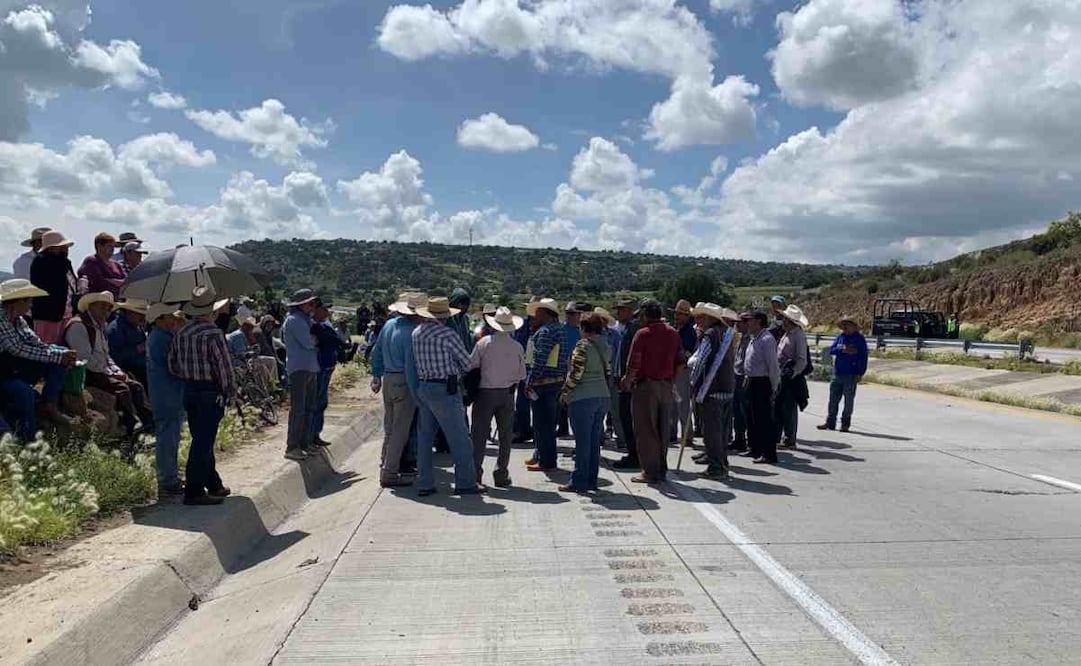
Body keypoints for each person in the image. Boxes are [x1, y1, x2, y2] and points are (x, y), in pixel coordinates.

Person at [168, 289, 235, 506]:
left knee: (201, 438)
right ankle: (195, 490)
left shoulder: (182, 332)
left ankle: (213, 483)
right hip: (209, 391)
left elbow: (173, 364)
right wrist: (229, 391)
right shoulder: (213, 333)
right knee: (203, 441)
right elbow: (223, 367)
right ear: (212, 311)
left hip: (190, 389)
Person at [411, 297, 481, 496]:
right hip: (445, 389)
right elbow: (467, 364)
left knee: (425, 438)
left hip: (424, 386)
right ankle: (466, 482)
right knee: (459, 439)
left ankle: (425, 483)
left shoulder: (416, 333)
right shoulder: (447, 334)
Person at [65, 291, 154, 434]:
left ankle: (148, 424)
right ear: (91, 307)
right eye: (102, 307)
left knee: (135, 386)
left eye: (108, 308)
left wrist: (116, 371)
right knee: (122, 389)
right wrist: (111, 373)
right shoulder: (78, 326)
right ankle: (129, 426)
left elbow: (106, 356)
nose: (106, 312)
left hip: (102, 369)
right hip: (87, 373)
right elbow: (85, 359)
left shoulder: (99, 326)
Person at [0, 279, 78, 440]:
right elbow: (16, 348)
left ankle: (50, 403)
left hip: (15, 368)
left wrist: (61, 353)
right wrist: (58, 356)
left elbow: (36, 343)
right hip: (4, 375)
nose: (31, 304)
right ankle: (27, 437)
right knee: (24, 391)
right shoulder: (2, 319)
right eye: (29, 300)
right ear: (20, 300)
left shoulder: (19, 320)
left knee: (59, 354)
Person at [620, 299, 682, 485]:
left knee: (646, 430)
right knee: (663, 429)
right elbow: (680, 361)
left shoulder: (642, 334)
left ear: (646, 315)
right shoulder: (673, 333)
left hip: (646, 386)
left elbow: (634, 363)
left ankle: (650, 471)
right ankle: (661, 468)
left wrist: (627, 380)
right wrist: (671, 381)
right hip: (666, 385)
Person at [371, 293, 425, 488]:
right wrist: (417, 393)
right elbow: (412, 366)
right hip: (405, 380)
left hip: (388, 378)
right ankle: (390, 473)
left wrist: (376, 375)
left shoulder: (389, 325)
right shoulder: (414, 333)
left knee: (390, 426)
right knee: (401, 431)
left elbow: (376, 352)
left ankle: (385, 461)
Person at [469, 307, 526, 488]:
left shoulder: (484, 343)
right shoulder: (517, 346)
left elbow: (471, 366)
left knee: (478, 435)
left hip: (484, 392)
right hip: (507, 393)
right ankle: (501, 473)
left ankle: (475, 473)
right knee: (505, 436)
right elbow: (521, 374)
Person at [559, 312, 611, 493]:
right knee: (594, 441)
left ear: (583, 328)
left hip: (583, 397)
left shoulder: (582, 346)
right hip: (602, 396)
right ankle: (591, 479)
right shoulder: (605, 345)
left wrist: (565, 392)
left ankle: (579, 480)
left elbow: (576, 373)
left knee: (581, 442)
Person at [687, 304, 738, 479]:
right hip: (727, 386)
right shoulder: (728, 332)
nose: (697, 320)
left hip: (712, 388)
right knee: (722, 431)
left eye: (700, 317)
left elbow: (701, 361)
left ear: (709, 318)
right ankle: (722, 463)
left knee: (712, 432)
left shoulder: (710, 334)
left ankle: (716, 467)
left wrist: (692, 382)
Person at [524, 298, 567, 472]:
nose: (535, 315)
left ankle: (547, 461)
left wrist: (529, 381)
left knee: (543, 424)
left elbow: (539, 360)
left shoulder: (545, 332)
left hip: (543, 384)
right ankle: (542, 456)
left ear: (545, 314)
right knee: (548, 423)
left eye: (538, 312)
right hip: (556, 382)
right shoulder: (560, 330)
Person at [146, 303, 185, 496]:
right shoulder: (163, 338)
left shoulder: (157, 336)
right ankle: (168, 478)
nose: (173, 319)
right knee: (168, 436)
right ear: (160, 319)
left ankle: (169, 475)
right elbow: (175, 365)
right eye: (169, 316)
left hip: (164, 392)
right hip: (168, 393)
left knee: (169, 434)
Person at [282, 289, 321, 460]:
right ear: (301, 305)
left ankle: (304, 443)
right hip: (299, 368)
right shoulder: (294, 320)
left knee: (309, 408)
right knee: (299, 409)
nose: (313, 307)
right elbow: (309, 342)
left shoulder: (305, 320)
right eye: (310, 303)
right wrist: (320, 339)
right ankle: (292, 446)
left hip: (310, 367)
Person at [818, 316, 869, 432]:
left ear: (854, 327)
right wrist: (842, 349)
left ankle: (845, 423)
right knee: (833, 399)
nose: (846, 327)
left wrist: (860, 372)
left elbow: (863, 356)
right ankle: (830, 422)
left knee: (848, 401)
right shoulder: (840, 337)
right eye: (844, 325)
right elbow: (831, 350)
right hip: (838, 373)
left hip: (851, 374)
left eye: (848, 325)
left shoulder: (860, 339)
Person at [743, 311, 780, 464]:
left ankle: (769, 453)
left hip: (762, 382)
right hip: (752, 381)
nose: (747, 324)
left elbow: (772, 365)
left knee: (764, 419)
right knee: (753, 418)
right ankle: (755, 448)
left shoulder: (766, 339)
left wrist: (774, 386)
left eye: (750, 321)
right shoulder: (754, 339)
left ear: (758, 322)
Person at [29, 230, 77, 344]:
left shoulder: (65, 262)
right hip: (47, 314)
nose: (65, 249)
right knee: (46, 347)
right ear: (51, 248)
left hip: (65, 313)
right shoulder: (42, 262)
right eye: (61, 247)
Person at [611, 298, 642, 470]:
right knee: (625, 418)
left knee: (629, 419)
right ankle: (633, 453)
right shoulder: (626, 329)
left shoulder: (634, 329)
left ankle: (635, 455)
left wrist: (628, 378)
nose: (618, 313)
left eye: (622, 309)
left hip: (629, 382)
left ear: (631, 311)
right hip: (622, 379)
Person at [775, 305, 810, 449]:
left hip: (790, 378)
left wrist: (792, 373)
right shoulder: (787, 334)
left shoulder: (798, 335)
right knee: (779, 408)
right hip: (781, 375)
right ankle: (779, 437)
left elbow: (802, 359)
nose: (783, 321)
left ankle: (790, 439)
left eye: (785, 319)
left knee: (788, 409)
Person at [310, 300, 344, 448]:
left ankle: (316, 433)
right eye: (324, 309)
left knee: (321, 401)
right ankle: (313, 434)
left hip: (327, 365)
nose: (326, 312)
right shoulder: (316, 326)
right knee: (318, 401)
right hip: (321, 366)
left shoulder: (324, 325)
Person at [227, 317, 278, 394]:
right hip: (237, 362)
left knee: (271, 360)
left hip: (244, 359)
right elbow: (240, 354)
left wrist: (253, 348)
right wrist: (253, 352)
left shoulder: (244, 334)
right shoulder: (238, 336)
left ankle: (271, 385)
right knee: (261, 365)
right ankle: (263, 390)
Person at [106, 299, 150, 388]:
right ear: (129, 312)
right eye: (139, 313)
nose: (143, 316)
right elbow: (116, 357)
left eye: (144, 314)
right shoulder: (116, 329)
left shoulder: (137, 326)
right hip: (131, 373)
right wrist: (139, 348)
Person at [671, 299, 697, 444]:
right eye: (676, 313)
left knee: (683, 404)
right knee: (673, 404)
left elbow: (687, 352)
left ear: (687, 316)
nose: (677, 316)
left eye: (681, 314)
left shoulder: (689, 332)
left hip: (682, 370)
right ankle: (672, 433)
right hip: (674, 369)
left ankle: (688, 435)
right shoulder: (677, 329)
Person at [77, 232, 126, 298]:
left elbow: (126, 281)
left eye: (113, 246)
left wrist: (111, 280)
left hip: (117, 301)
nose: (112, 249)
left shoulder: (116, 264)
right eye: (109, 246)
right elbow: (98, 282)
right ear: (99, 246)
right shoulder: (92, 261)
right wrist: (116, 283)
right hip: (98, 301)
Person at [730, 313, 751, 453]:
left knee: (745, 411)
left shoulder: (750, 338)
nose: (736, 325)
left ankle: (748, 441)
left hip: (744, 376)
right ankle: (739, 439)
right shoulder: (740, 337)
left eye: (739, 322)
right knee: (736, 411)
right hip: (737, 375)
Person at [447, 288, 475, 353]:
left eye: (465, 303)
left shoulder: (465, 319)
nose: (462, 306)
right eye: (461, 303)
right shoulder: (447, 319)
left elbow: (467, 338)